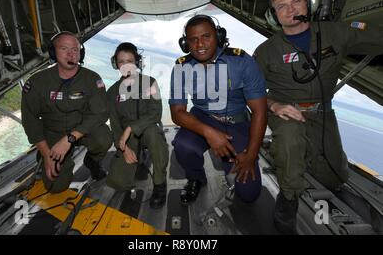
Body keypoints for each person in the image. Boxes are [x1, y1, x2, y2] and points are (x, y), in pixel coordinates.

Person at [254, 0, 383, 234]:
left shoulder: (335, 33)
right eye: (282, 6)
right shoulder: (266, 52)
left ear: (309, 3)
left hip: (323, 113)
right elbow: (251, 92)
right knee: (291, 140)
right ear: (274, 15)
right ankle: (288, 199)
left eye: (296, 1)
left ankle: (310, 163)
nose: (290, 10)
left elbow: (376, 38)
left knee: (333, 178)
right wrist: (275, 104)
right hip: (285, 111)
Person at [169, 14, 267, 206]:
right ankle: (196, 178)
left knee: (249, 195)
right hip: (203, 118)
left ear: (219, 36)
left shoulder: (241, 61)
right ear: (185, 43)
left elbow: (260, 111)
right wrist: (209, 132)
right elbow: (177, 112)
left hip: (236, 123)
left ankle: (234, 163)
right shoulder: (182, 68)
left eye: (206, 36)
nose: (199, 44)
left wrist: (251, 155)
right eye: (193, 40)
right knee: (183, 145)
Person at [21, 31, 113, 193]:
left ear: (81, 53)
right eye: (64, 48)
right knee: (56, 187)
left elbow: (100, 113)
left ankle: (92, 161)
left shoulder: (92, 79)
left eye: (75, 49)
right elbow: (31, 120)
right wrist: (47, 154)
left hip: (81, 130)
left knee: (104, 138)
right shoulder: (37, 82)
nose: (71, 54)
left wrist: (70, 138)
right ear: (53, 52)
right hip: (52, 133)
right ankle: (45, 157)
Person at [106, 42, 169, 209]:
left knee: (153, 134)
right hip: (127, 139)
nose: (126, 65)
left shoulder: (150, 82)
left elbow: (155, 113)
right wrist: (123, 148)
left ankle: (160, 183)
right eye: (121, 61)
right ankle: (138, 155)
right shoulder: (112, 92)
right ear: (115, 64)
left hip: (148, 129)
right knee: (117, 182)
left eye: (130, 61)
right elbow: (115, 125)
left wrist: (131, 128)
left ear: (137, 63)